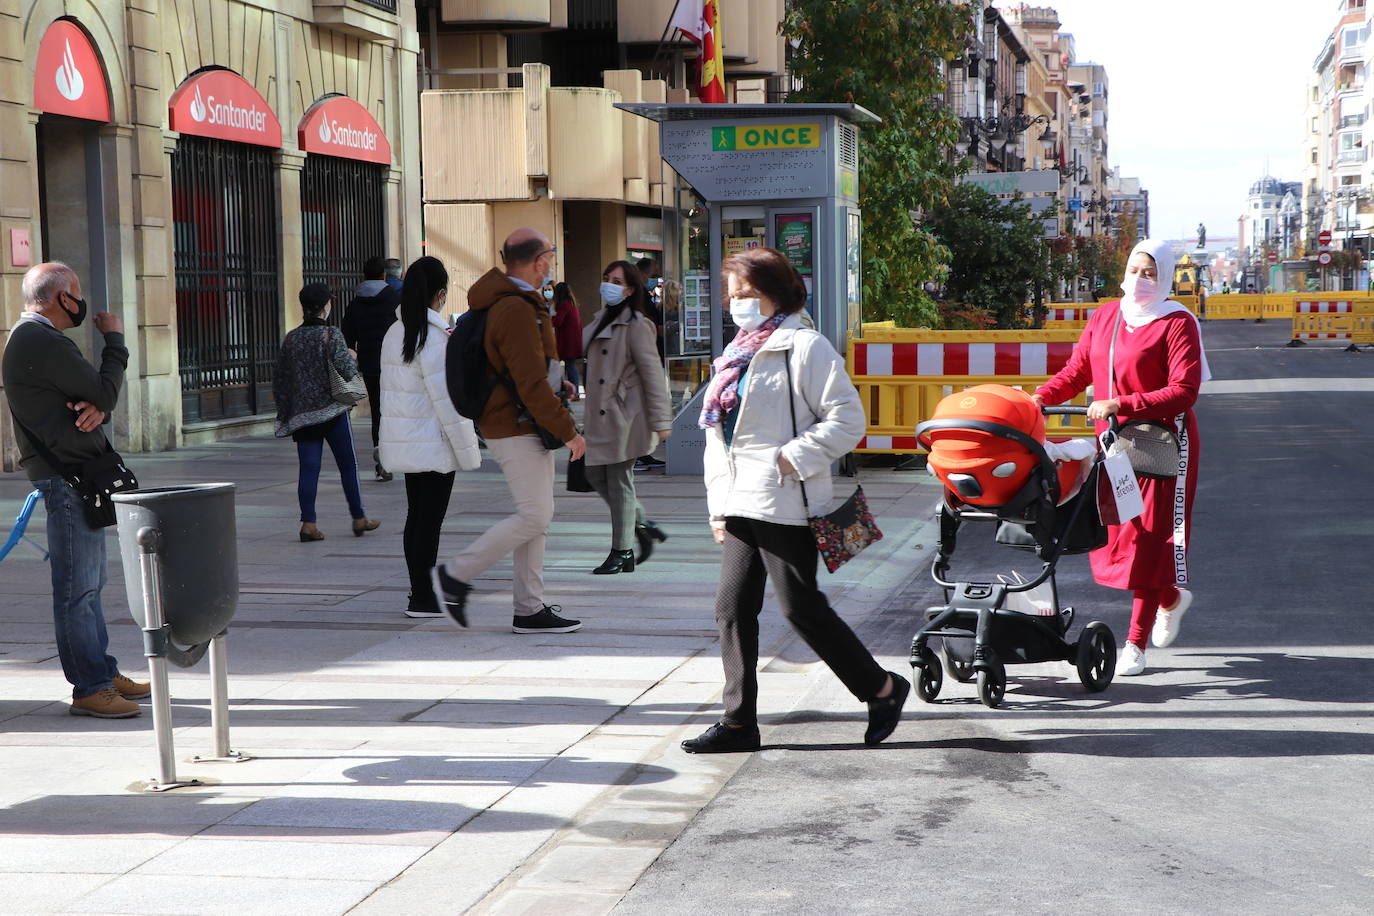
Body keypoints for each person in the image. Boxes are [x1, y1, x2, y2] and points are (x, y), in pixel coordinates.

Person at [680, 247, 909, 754]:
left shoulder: (805, 347)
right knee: (731, 608)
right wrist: (719, 506)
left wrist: (791, 458)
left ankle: (882, 689)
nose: (738, 304)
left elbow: (848, 421)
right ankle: (739, 723)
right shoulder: (738, 351)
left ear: (776, 293)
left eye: (748, 295)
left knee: (800, 608)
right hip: (742, 501)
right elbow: (721, 437)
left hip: (786, 501)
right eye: (733, 295)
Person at [1033, 238, 1209, 677]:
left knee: (1149, 539)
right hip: (1114, 446)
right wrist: (1038, 398)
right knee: (1119, 534)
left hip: (1161, 444)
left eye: (1150, 273)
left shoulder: (1176, 322)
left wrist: (1121, 403)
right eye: (1134, 270)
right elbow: (1077, 371)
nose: (1140, 280)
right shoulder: (1107, 315)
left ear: (1164, 277)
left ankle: (1135, 642)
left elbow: (1184, 391)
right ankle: (1169, 597)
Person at [1, 262, 149, 718]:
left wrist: (96, 409)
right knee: (77, 588)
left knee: (90, 584)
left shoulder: (36, 339)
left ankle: (100, 669)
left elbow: (95, 401)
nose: (83, 302)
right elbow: (104, 392)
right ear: (61, 297)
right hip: (66, 477)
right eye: (78, 292)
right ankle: (90, 686)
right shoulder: (39, 339)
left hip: (74, 474)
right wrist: (115, 340)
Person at [429, 227, 586, 634]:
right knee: (535, 515)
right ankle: (456, 574)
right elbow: (529, 383)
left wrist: (559, 385)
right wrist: (569, 431)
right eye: (550, 255)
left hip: (518, 420)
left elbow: (528, 371)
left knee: (536, 516)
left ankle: (529, 608)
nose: (551, 263)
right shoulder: (514, 308)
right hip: (514, 424)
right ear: (538, 261)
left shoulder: (513, 302)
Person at [378, 256, 482, 618]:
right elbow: (447, 399)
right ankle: (422, 596)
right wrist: (468, 450)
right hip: (434, 444)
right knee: (429, 521)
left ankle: (418, 591)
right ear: (440, 294)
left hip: (408, 441)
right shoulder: (432, 336)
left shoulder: (396, 333)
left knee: (416, 516)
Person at [582, 260, 673, 575]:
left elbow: (653, 375)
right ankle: (643, 524)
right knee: (594, 476)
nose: (609, 284)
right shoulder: (600, 319)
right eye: (607, 278)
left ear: (631, 289)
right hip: (599, 415)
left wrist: (662, 421)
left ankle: (621, 551)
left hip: (624, 415)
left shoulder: (637, 324)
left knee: (619, 481)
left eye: (617, 280)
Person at [273, 282, 380, 542]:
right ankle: (358, 517)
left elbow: (281, 379)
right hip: (333, 412)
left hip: (303, 415)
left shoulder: (292, 338)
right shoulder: (332, 334)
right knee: (348, 466)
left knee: (309, 469)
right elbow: (346, 370)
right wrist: (352, 356)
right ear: (325, 306)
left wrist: (286, 411)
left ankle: (308, 523)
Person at [342, 256, 401, 481]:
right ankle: (393, 456)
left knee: (377, 411)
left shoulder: (355, 303)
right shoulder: (393, 300)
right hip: (393, 365)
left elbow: (347, 335)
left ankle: (382, 462)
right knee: (393, 411)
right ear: (384, 275)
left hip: (370, 366)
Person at [550, 281, 584, 400]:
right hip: (573, 340)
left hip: (566, 341)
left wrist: (547, 318)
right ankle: (574, 392)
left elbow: (557, 322)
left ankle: (570, 392)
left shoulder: (563, 305)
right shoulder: (572, 304)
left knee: (562, 365)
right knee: (570, 365)